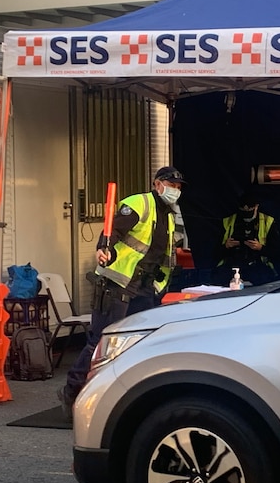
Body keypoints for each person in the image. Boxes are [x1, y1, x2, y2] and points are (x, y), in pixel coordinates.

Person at [57, 166, 186, 419]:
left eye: (178, 187)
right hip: (118, 283)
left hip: (145, 286)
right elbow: (112, 231)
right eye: (171, 185)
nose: (175, 190)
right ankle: (71, 392)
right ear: (157, 183)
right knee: (102, 340)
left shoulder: (169, 215)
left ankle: (126, 396)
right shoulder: (139, 203)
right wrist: (104, 249)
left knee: (139, 341)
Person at [211, 191, 280, 287]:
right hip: (233, 263)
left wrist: (260, 248)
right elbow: (214, 253)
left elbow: (277, 253)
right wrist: (226, 246)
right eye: (243, 212)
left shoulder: (267, 221)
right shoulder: (228, 221)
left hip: (258, 264)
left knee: (265, 279)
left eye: (249, 212)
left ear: (256, 207)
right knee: (218, 278)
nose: (246, 215)